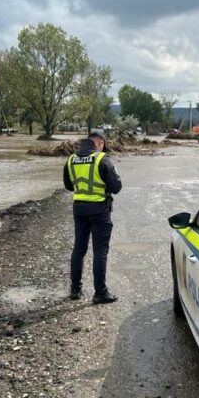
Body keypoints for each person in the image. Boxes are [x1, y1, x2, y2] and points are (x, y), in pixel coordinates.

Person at [63, 129, 123, 304]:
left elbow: (68, 185)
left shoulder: (71, 159)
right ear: (100, 143)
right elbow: (117, 188)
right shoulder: (102, 159)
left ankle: (75, 290)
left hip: (79, 209)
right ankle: (100, 293)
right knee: (100, 251)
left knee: (79, 249)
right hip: (99, 210)